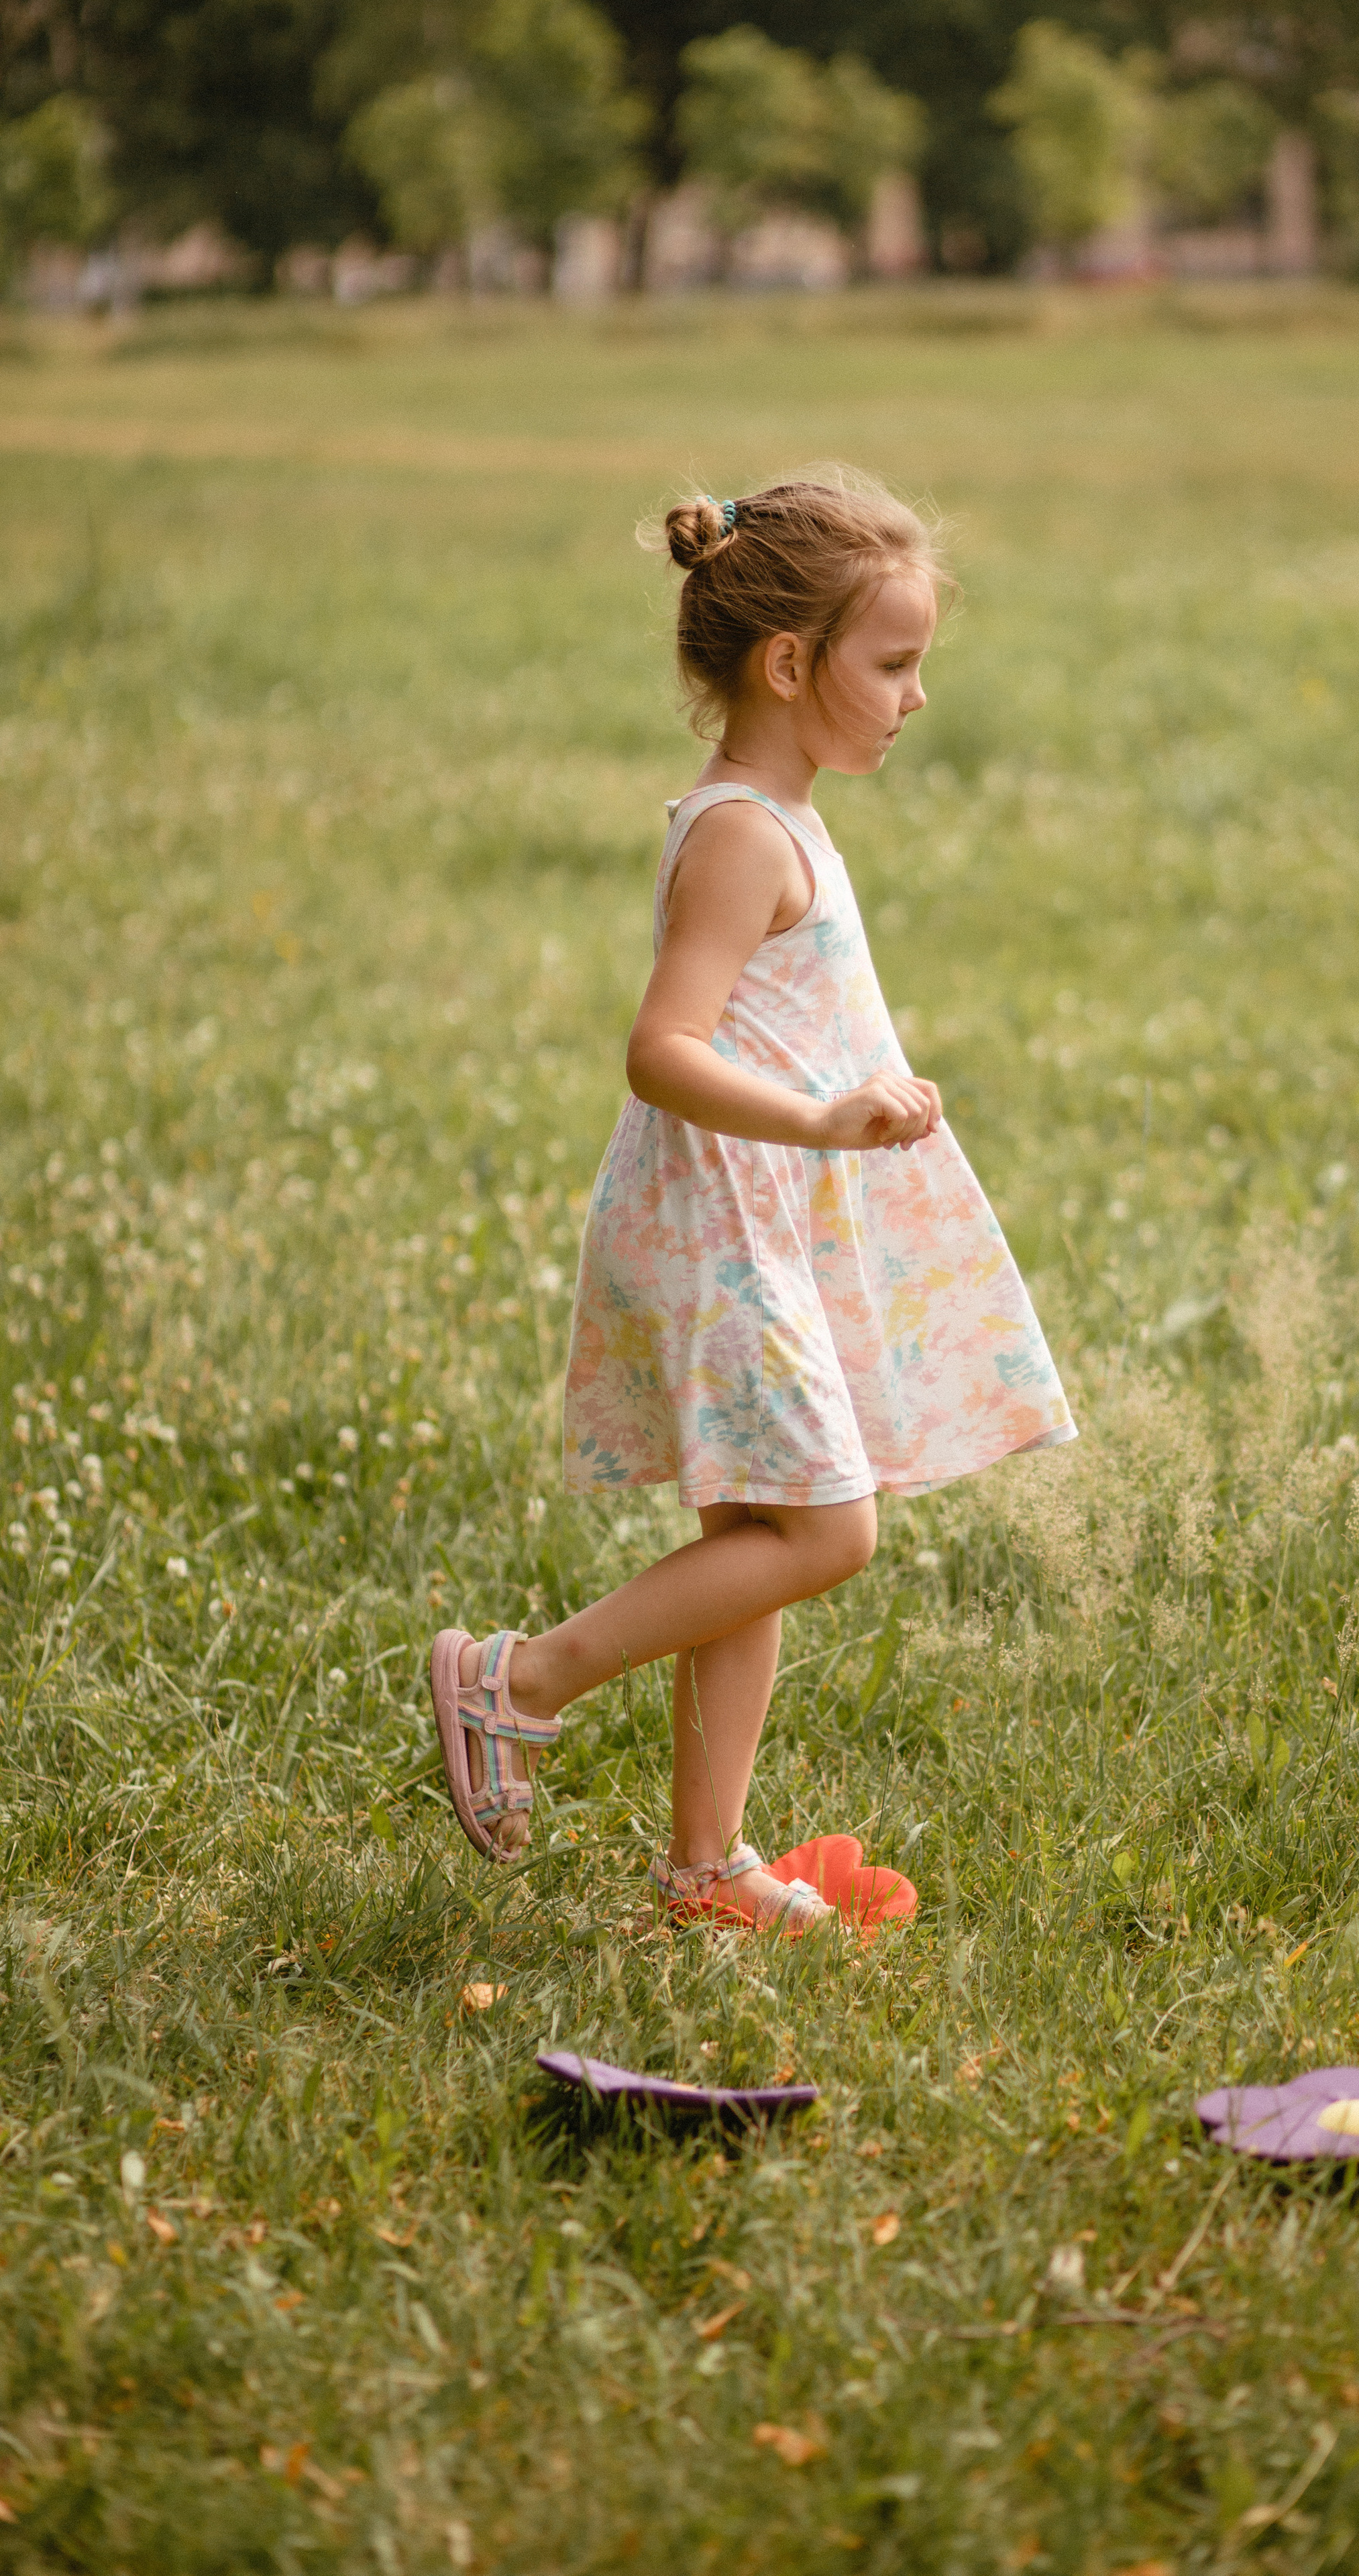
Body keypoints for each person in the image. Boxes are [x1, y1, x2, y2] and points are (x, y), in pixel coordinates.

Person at [431, 472, 1074, 1931]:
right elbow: (662, 1048)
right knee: (823, 1532)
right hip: (718, 1220)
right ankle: (515, 1678)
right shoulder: (740, 834)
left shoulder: (780, 817)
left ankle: (703, 1868)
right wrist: (818, 1118)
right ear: (791, 665)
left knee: (756, 1548)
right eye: (893, 663)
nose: (916, 698)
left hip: (749, 1217)